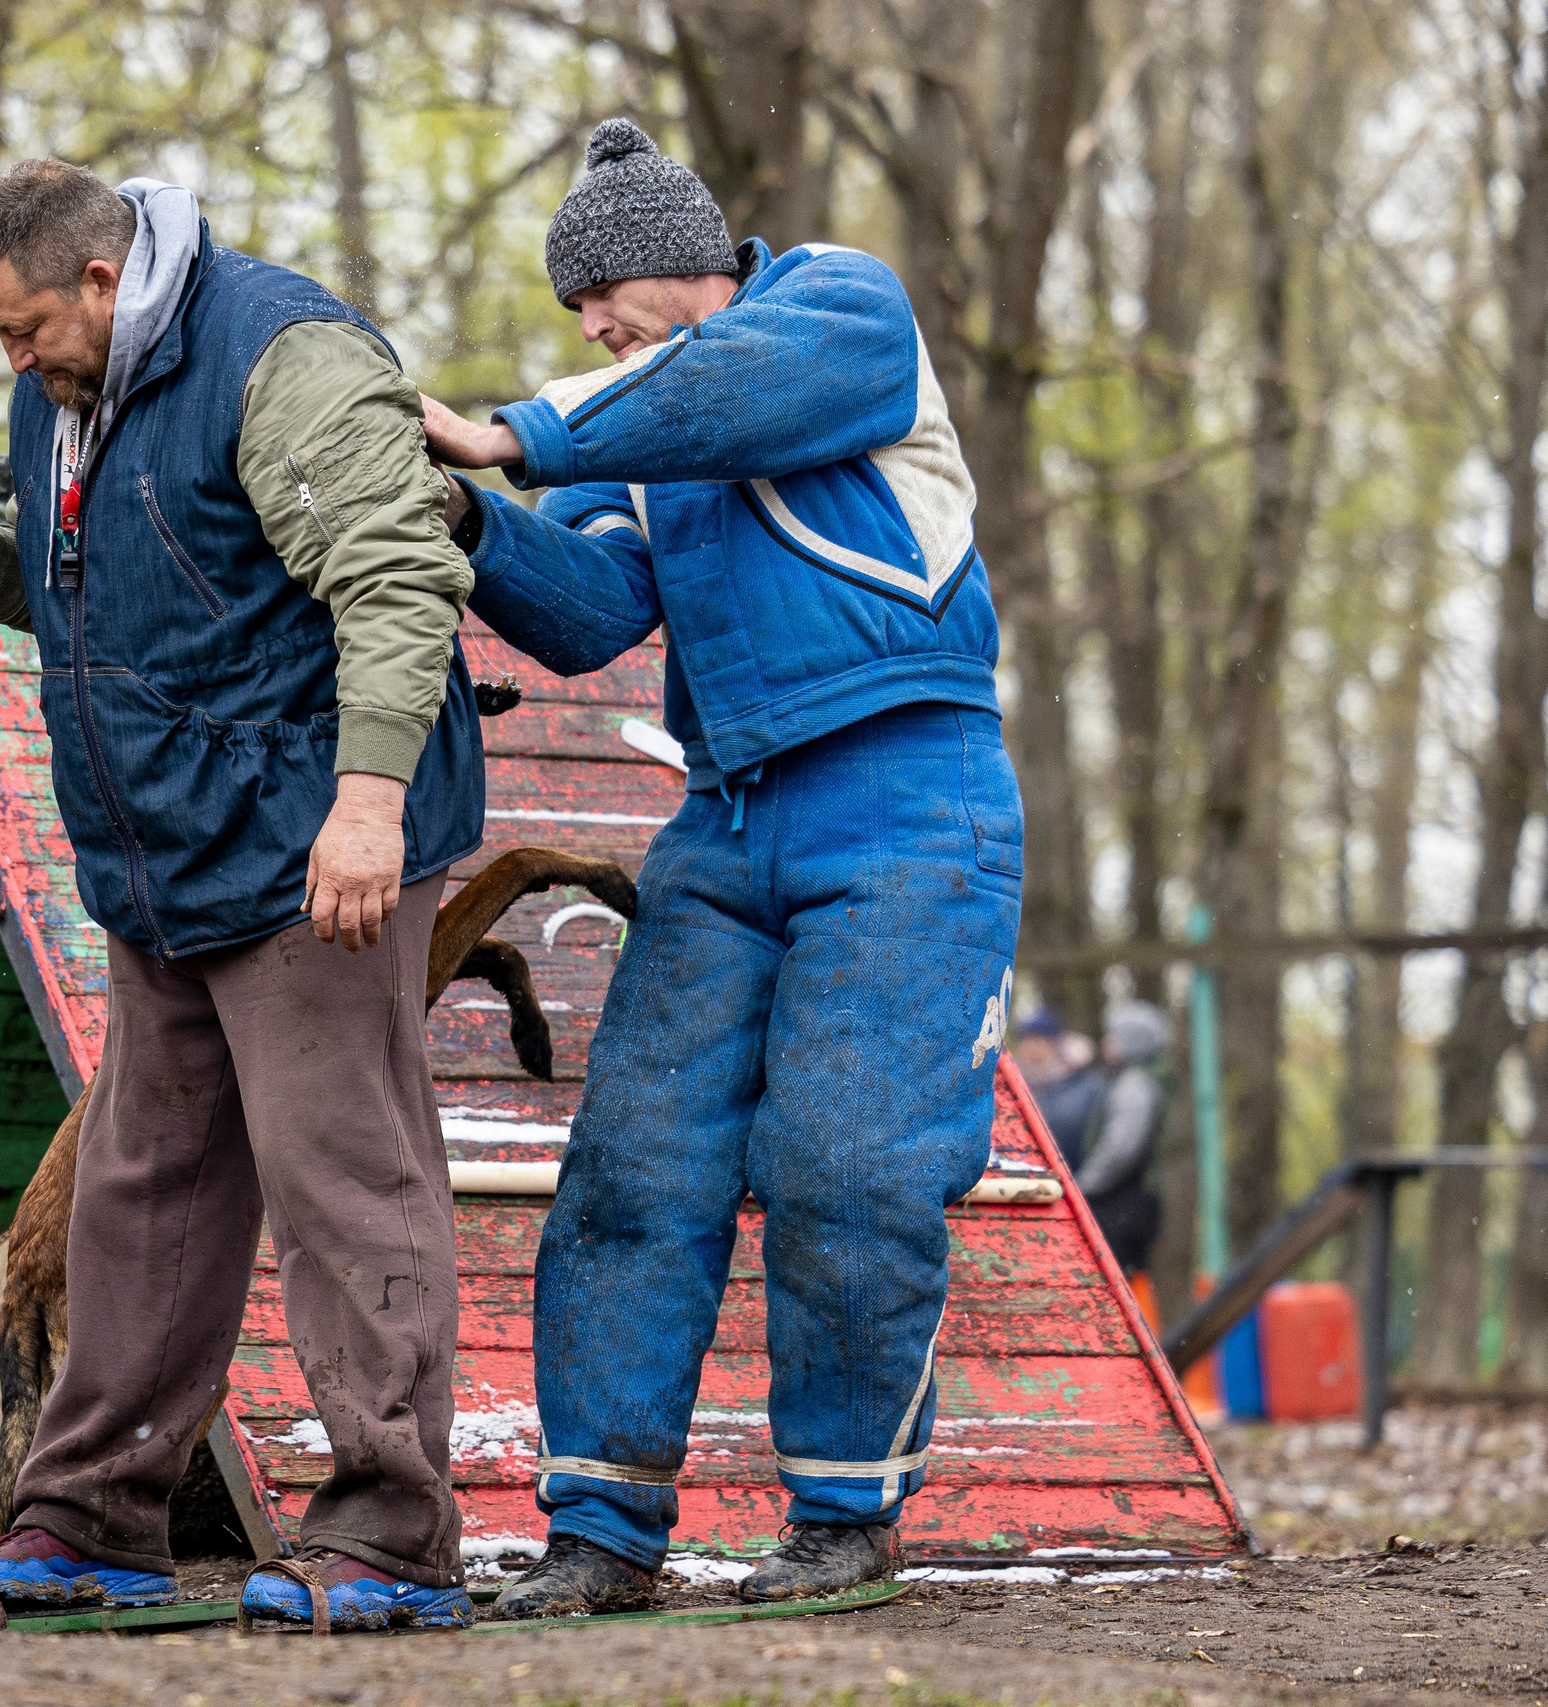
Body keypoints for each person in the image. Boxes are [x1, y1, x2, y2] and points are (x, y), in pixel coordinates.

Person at [0, 160, 486, 1631]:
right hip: (165, 861)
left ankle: (395, 1530)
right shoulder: (67, 390)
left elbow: (397, 582)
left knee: (347, 1182)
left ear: (99, 276)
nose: (11, 365)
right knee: (141, 1199)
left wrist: (370, 800)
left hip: (317, 839)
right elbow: (116, 604)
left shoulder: (287, 353)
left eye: (24, 331)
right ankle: (86, 1518)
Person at [419, 120, 1022, 1612]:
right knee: (636, 1165)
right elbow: (585, 611)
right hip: (729, 817)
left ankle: (843, 1514)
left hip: (911, 800)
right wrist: (461, 517)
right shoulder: (641, 434)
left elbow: (731, 391)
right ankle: (602, 1528)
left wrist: (521, 429)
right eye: (573, 321)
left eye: (597, 301)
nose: (587, 330)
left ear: (670, 265)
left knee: (851, 1159)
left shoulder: (840, 309)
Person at [1076, 1000, 1170, 1274]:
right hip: (1132, 1203)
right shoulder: (1140, 1081)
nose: (1106, 1042)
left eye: (1113, 1036)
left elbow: (1120, 1150)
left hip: (1123, 1206)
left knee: (1117, 1276)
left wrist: (1082, 1187)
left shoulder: (1134, 1087)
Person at [1015, 1008, 1106, 1173]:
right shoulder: (1014, 1088)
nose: (1032, 1048)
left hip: (1080, 1182)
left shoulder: (1088, 1086)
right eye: (1026, 1040)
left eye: (1039, 1040)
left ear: (1056, 1044)